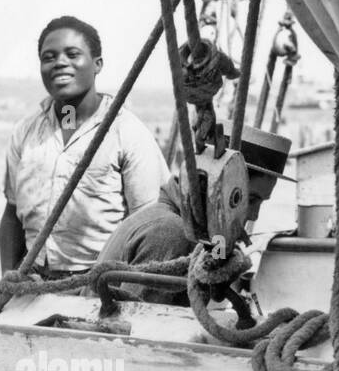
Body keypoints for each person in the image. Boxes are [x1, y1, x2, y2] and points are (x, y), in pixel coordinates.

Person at [0, 15, 167, 275]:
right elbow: (11, 214)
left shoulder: (127, 132)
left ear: (97, 64)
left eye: (72, 54)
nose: (60, 63)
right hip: (32, 282)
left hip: (102, 284)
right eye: (49, 57)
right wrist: (7, 281)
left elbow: (151, 227)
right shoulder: (25, 132)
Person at [96, 125, 293, 302]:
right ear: (214, 185)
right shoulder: (171, 233)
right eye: (250, 200)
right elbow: (138, 330)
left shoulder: (173, 223)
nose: (254, 215)